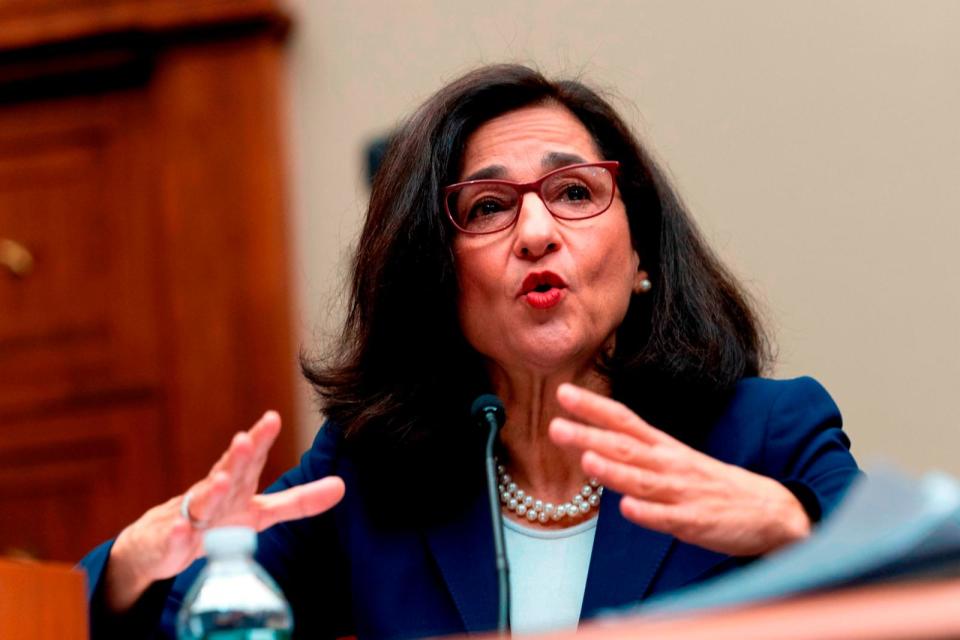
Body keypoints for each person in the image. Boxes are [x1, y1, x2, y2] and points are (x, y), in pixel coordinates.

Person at [80, 64, 859, 639]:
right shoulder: (371, 476)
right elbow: (168, 626)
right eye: (488, 206)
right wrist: (143, 556)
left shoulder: (767, 434)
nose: (536, 232)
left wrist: (792, 527)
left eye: (576, 193)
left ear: (642, 252)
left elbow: (930, 596)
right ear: (436, 276)